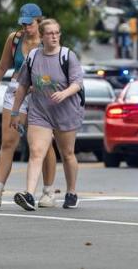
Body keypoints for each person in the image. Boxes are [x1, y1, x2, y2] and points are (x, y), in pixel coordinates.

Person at [0, 3, 58, 208]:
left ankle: (48, 192)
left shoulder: (47, 40)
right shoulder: (14, 39)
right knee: (7, 142)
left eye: (30, 24)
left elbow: (55, 72)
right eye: (23, 24)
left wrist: (38, 84)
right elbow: (2, 66)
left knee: (42, 145)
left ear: (39, 21)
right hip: (15, 91)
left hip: (40, 95)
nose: (26, 28)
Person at [9, 19, 84, 211]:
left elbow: (77, 83)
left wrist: (64, 93)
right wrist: (15, 112)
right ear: (41, 36)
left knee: (67, 154)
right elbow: (23, 85)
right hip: (40, 112)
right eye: (50, 33)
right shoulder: (33, 56)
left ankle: (72, 192)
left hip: (65, 111)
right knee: (36, 152)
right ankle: (28, 195)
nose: (54, 36)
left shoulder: (68, 56)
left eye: (57, 33)